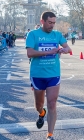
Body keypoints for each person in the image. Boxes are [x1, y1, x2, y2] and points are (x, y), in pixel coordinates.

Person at [26, 11, 71, 140]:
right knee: (39, 105)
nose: (52, 25)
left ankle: (49, 135)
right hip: (37, 75)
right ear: (43, 21)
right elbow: (29, 53)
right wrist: (48, 52)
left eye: (54, 23)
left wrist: (64, 50)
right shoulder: (33, 34)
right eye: (49, 23)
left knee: (52, 103)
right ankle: (41, 113)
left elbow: (68, 48)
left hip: (53, 74)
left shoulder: (57, 35)